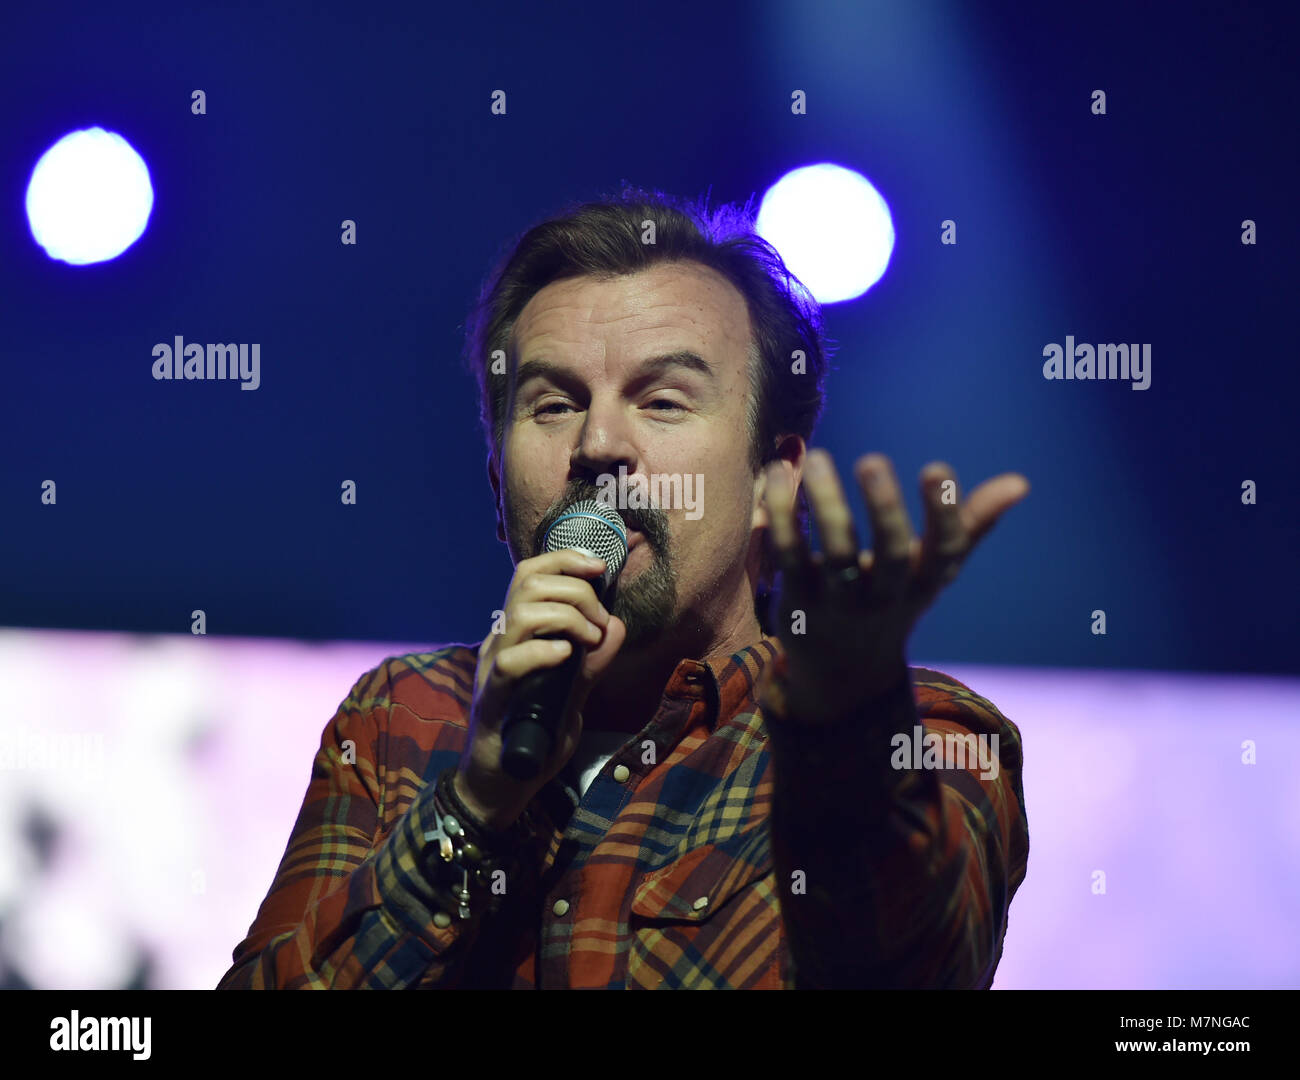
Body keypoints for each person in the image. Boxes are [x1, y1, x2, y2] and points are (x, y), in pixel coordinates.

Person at [217, 184, 1030, 989]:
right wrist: (475, 804)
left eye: (664, 400)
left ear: (771, 481)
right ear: (498, 486)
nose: (599, 444)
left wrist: (843, 728)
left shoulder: (933, 734)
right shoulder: (401, 718)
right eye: (555, 404)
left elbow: (910, 968)